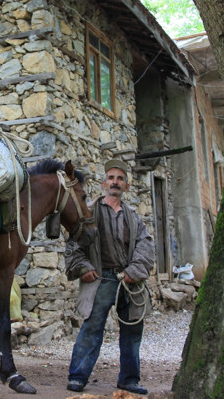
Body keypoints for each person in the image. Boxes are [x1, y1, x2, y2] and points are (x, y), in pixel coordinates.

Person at [65, 158, 155, 395]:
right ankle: (77, 376)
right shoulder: (90, 212)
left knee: (133, 330)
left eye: (120, 179)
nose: (115, 182)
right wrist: (83, 267)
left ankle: (129, 379)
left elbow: (145, 247)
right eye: (111, 178)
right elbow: (74, 244)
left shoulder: (133, 217)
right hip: (101, 279)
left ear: (126, 186)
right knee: (92, 327)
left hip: (128, 280)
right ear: (104, 184)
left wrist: (133, 272)